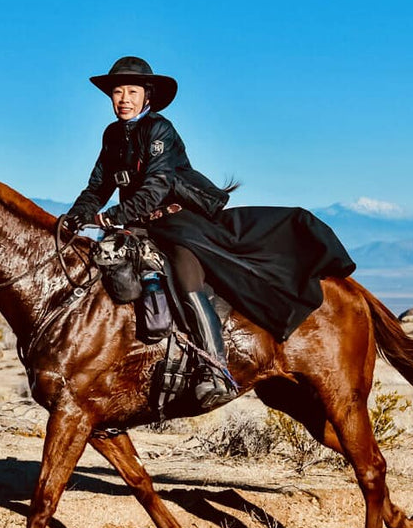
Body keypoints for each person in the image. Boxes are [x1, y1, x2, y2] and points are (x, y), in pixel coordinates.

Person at [66, 56, 356, 409]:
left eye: (131, 91)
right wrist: (76, 215)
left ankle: (214, 368)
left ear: (147, 96)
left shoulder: (160, 131)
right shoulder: (112, 135)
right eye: (117, 91)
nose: (123, 98)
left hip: (176, 222)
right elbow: (98, 185)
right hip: (136, 225)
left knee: (186, 278)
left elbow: (157, 186)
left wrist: (114, 216)